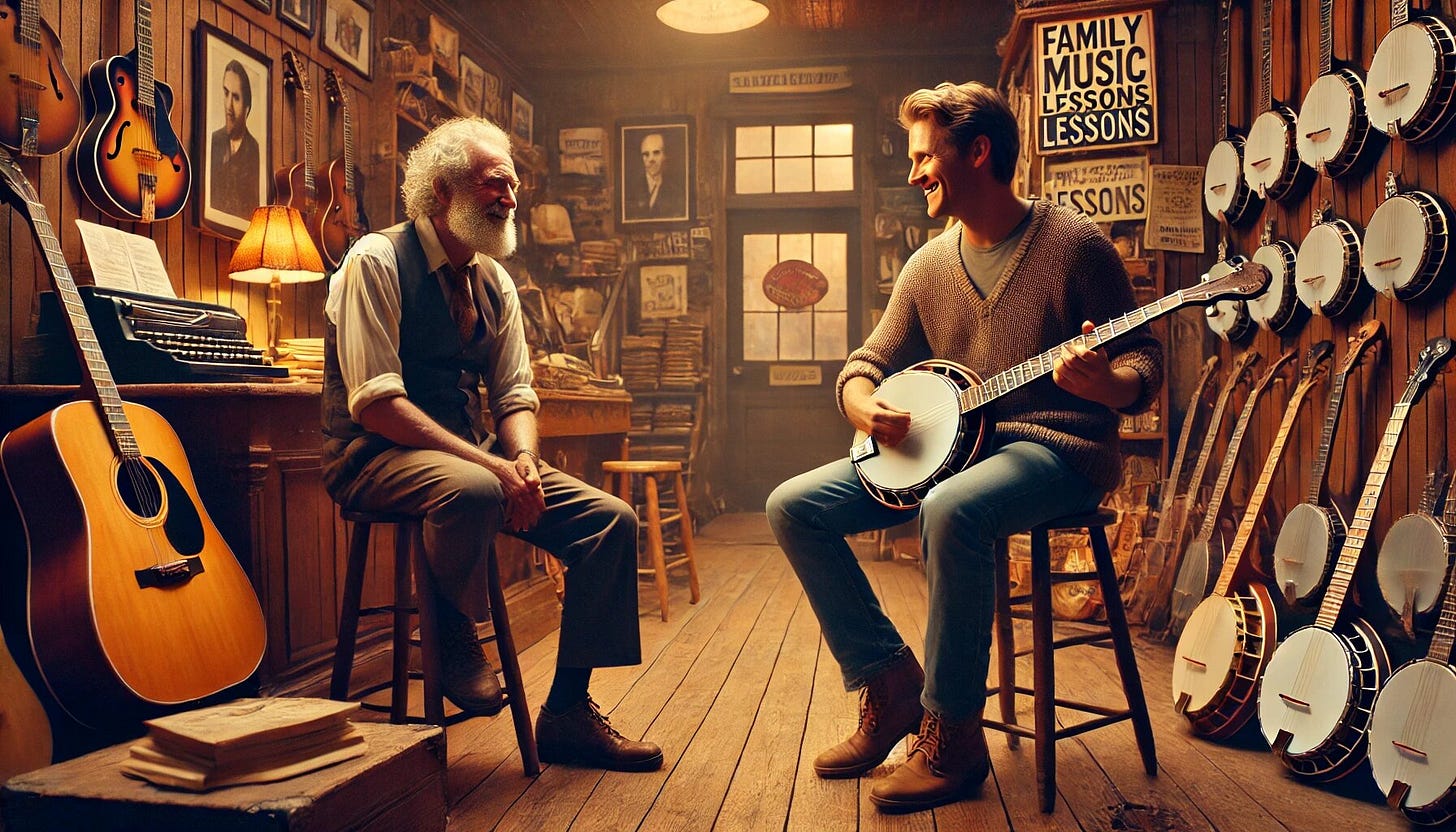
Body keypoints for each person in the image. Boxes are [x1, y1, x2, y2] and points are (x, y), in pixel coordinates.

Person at [765, 81, 1162, 814]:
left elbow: (1145, 364)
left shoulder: (1075, 247)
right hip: (960, 450)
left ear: (977, 151)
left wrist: (1105, 383)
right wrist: (862, 403)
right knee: (793, 506)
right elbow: (868, 360)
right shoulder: (928, 266)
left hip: (1058, 452)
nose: (914, 172)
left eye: (925, 156)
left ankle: (952, 738)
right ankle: (888, 688)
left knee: (949, 510)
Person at [321, 117, 663, 772]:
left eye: (513, 184)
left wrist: (524, 461)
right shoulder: (374, 261)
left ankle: (566, 712)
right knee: (478, 486)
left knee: (610, 523)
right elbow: (377, 405)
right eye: (493, 183)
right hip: (370, 457)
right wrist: (493, 468)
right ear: (443, 190)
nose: (509, 197)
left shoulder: (493, 281)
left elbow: (514, 395)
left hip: (464, 460)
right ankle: (450, 633)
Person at [208, 59, 260, 218]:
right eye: (226, 93)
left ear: (247, 107)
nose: (228, 106)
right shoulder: (214, 140)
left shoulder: (253, 149)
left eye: (236, 97)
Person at [624, 131, 685, 220]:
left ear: (664, 156)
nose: (651, 159)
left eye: (656, 153)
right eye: (646, 154)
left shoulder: (677, 192)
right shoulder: (629, 190)